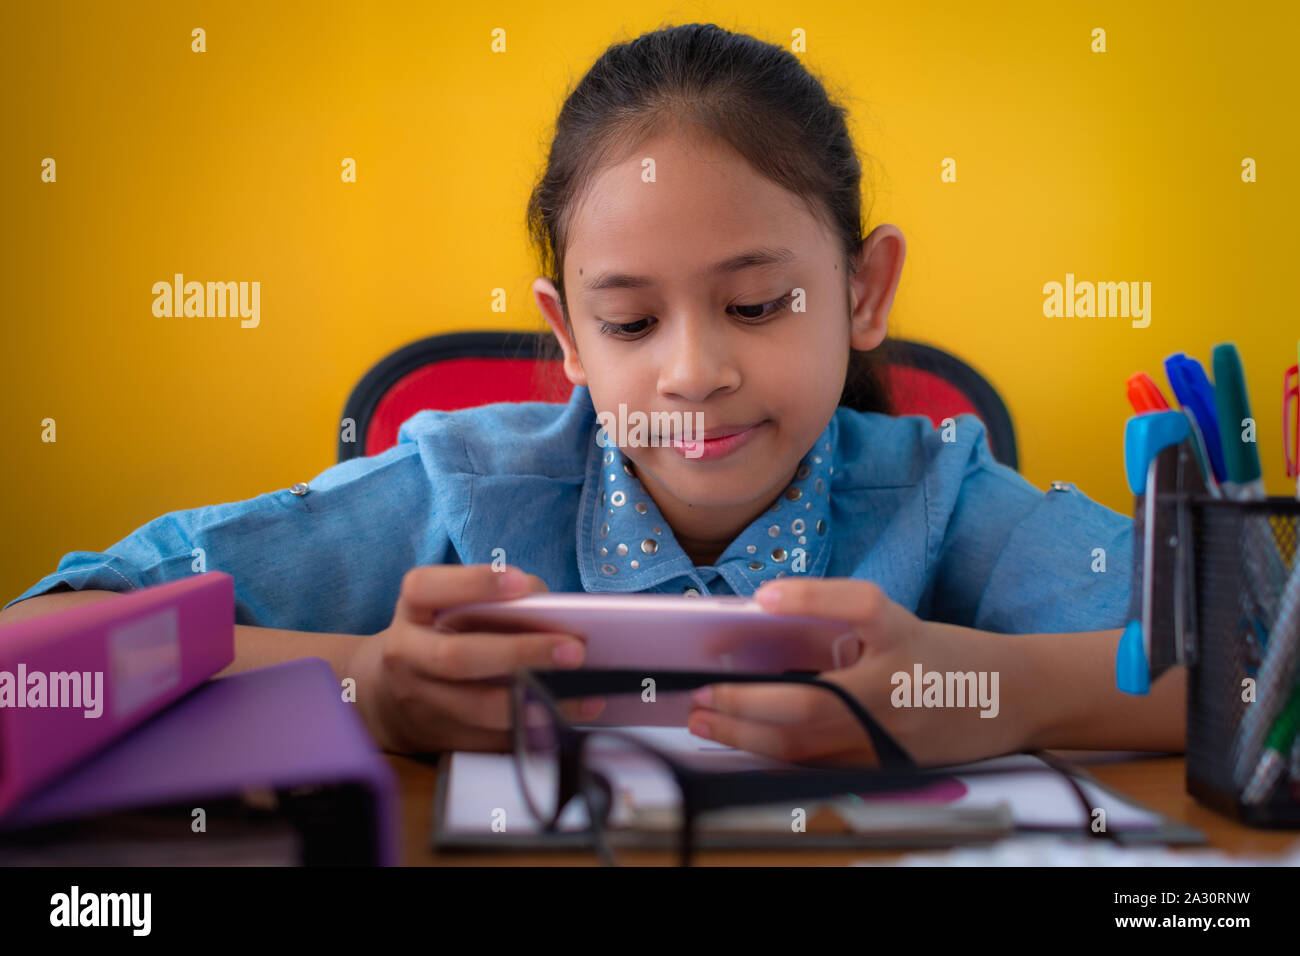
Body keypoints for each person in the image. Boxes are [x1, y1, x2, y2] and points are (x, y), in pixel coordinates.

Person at [0, 23, 1183, 765]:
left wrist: (988, 691)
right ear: (569, 335)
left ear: (863, 292)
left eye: (759, 304)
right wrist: (365, 684)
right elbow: (38, 650)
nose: (691, 371)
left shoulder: (939, 490)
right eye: (627, 320)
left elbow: (1255, 675)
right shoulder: (460, 484)